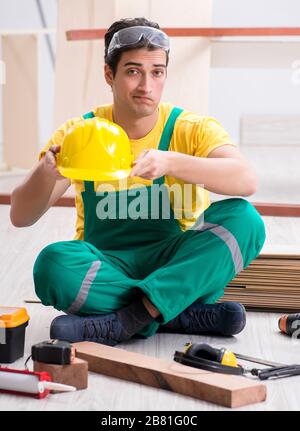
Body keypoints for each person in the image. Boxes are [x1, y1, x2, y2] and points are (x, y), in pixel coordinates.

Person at [10, 17, 266, 346]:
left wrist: (171, 161)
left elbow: (246, 180)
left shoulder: (190, 128)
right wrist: (47, 172)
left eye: (156, 72)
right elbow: (21, 216)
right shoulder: (83, 133)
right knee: (52, 265)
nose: (146, 85)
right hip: (107, 265)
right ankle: (174, 313)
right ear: (109, 74)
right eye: (133, 71)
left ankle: (128, 319)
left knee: (245, 219)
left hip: (175, 261)